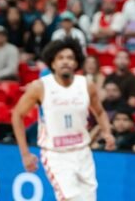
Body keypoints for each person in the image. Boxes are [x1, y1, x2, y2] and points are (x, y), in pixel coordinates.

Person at [12, 39, 115, 200]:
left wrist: (107, 132)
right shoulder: (40, 87)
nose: (65, 61)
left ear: (76, 63)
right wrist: (25, 154)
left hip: (83, 152)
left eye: (70, 58)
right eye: (60, 58)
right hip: (56, 154)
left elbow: (100, 112)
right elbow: (17, 115)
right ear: (52, 63)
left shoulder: (86, 85)